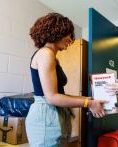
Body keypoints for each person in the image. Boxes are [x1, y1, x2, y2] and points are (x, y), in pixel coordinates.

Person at [26, 12, 106, 147]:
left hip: (54, 114)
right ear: (56, 32)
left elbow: (59, 93)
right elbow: (51, 97)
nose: (71, 40)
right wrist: (88, 103)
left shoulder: (53, 56)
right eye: (68, 35)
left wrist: (89, 100)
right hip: (46, 116)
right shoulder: (45, 54)